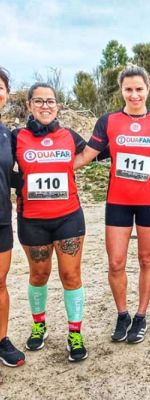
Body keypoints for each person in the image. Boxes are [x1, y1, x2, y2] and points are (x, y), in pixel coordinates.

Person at [74, 64, 150, 344]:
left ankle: (141, 315)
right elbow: (86, 156)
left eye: (139, 89)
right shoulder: (108, 121)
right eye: (128, 89)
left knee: (146, 259)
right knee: (116, 262)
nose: (134, 95)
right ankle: (122, 314)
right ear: (121, 90)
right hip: (118, 202)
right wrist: (49, 169)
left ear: (148, 89)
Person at [12, 82, 88, 362]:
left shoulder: (69, 136)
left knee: (71, 276)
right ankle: (39, 325)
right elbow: (4, 167)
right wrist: (20, 182)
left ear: (57, 105)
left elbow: (94, 152)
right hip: (32, 220)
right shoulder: (16, 136)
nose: (45, 106)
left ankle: (75, 333)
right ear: (29, 105)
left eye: (50, 101)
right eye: (39, 101)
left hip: (68, 216)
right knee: (38, 275)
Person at [0, 67, 25, 367]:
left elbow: (12, 175)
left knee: (0, 282)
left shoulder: (7, 134)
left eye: (0, 87)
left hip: (2, 218)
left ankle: (2, 339)